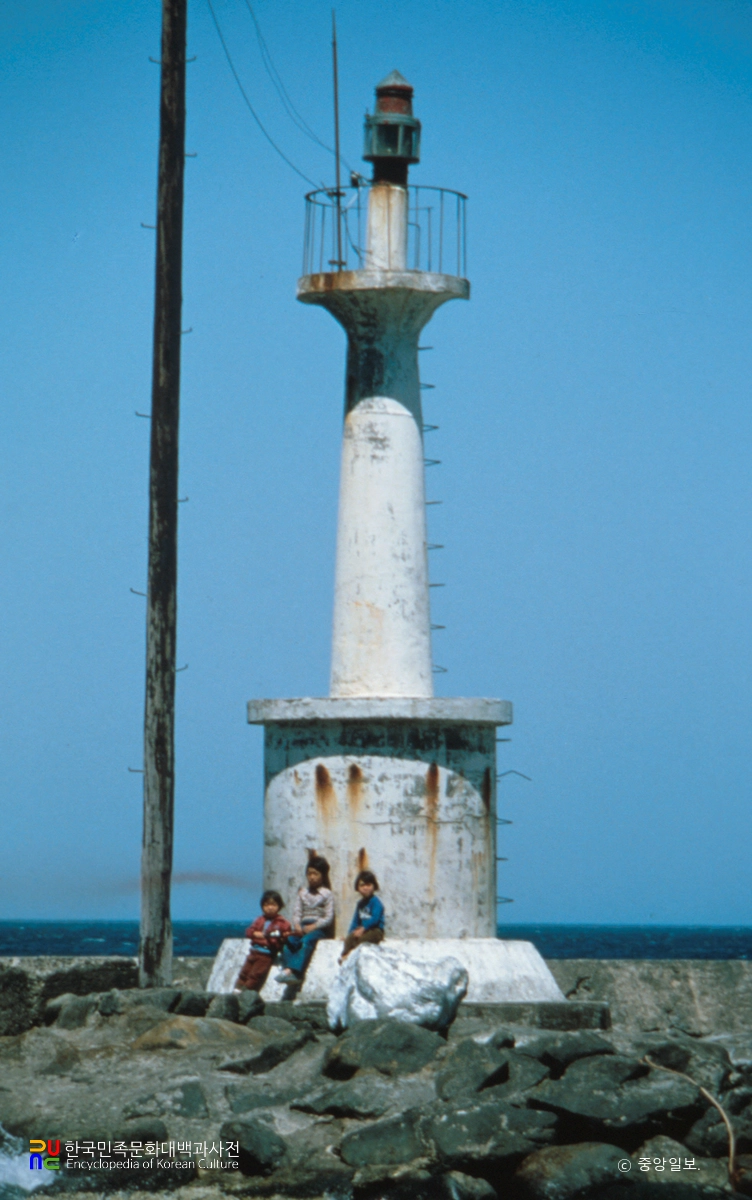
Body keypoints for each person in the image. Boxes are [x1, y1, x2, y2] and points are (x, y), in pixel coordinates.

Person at [275, 856, 334, 986]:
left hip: (318, 929)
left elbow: (328, 918)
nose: (312, 877)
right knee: (290, 941)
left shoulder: (327, 894)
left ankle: (294, 972)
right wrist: (296, 925)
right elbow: (297, 912)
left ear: (323, 876)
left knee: (306, 942)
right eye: (309, 874)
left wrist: (314, 926)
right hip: (302, 926)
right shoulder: (302, 893)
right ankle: (287, 968)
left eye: (316, 874)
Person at [235, 890, 291, 994]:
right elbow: (249, 931)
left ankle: (246, 991)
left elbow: (286, 934)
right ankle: (237, 989)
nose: (270, 908)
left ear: (279, 906)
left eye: (273, 905)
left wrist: (280, 936)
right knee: (245, 972)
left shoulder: (282, 922)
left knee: (256, 974)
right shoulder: (259, 920)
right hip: (254, 951)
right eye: (266, 905)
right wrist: (256, 934)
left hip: (266, 954)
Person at [338, 869, 385, 963]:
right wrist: (349, 934)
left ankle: (351, 955)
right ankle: (344, 955)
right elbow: (355, 921)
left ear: (374, 886)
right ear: (357, 888)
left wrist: (364, 928)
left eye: (368, 885)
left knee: (363, 940)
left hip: (375, 930)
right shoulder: (360, 904)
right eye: (362, 885)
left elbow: (375, 919)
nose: (365, 888)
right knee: (350, 939)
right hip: (363, 929)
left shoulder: (376, 902)